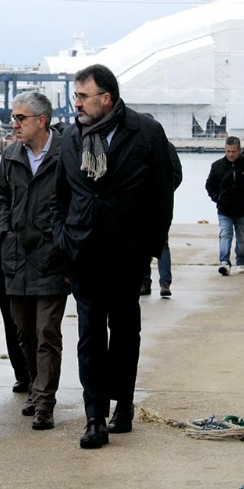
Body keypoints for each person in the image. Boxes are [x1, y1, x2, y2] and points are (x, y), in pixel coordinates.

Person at [53, 64, 175, 448]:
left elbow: (163, 192)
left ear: (105, 98)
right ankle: (94, 417)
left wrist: (149, 248)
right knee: (89, 337)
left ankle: (123, 403)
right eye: (75, 96)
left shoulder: (146, 133)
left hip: (127, 254)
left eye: (82, 96)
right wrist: (63, 239)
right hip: (83, 253)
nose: (77, 104)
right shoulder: (71, 137)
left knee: (124, 334)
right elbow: (61, 196)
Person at [0, 91, 69, 431]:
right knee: (24, 333)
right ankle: (34, 385)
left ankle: (44, 402)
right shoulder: (11, 155)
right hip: (16, 258)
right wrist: (5, 231)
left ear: (41, 121)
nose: (15, 124)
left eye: (20, 118)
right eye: (14, 118)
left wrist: (63, 243)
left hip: (52, 258)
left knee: (46, 333)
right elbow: (2, 199)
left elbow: (76, 202)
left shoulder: (65, 155)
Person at [0, 163, 32, 395]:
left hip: (37, 257)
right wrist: (4, 231)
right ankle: (22, 374)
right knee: (11, 321)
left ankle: (38, 378)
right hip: (6, 259)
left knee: (37, 325)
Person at [205, 136, 244, 276]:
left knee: (241, 238)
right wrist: (217, 198)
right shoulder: (217, 166)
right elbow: (209, 185)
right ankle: (224, 262)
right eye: (228, 151)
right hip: (224, 209)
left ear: (240, 150)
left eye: (233, 151)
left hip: (242, 209)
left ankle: (241, 262)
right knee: (225, 235)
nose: (230, 154)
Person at [141, 141, 183, 297]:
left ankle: (148, 283)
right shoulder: (168, 147)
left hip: (147, 202)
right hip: (158, 203)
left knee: (147, 244)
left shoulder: (141, 144)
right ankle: (163, 283)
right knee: (160, 244)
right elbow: (178, 174)